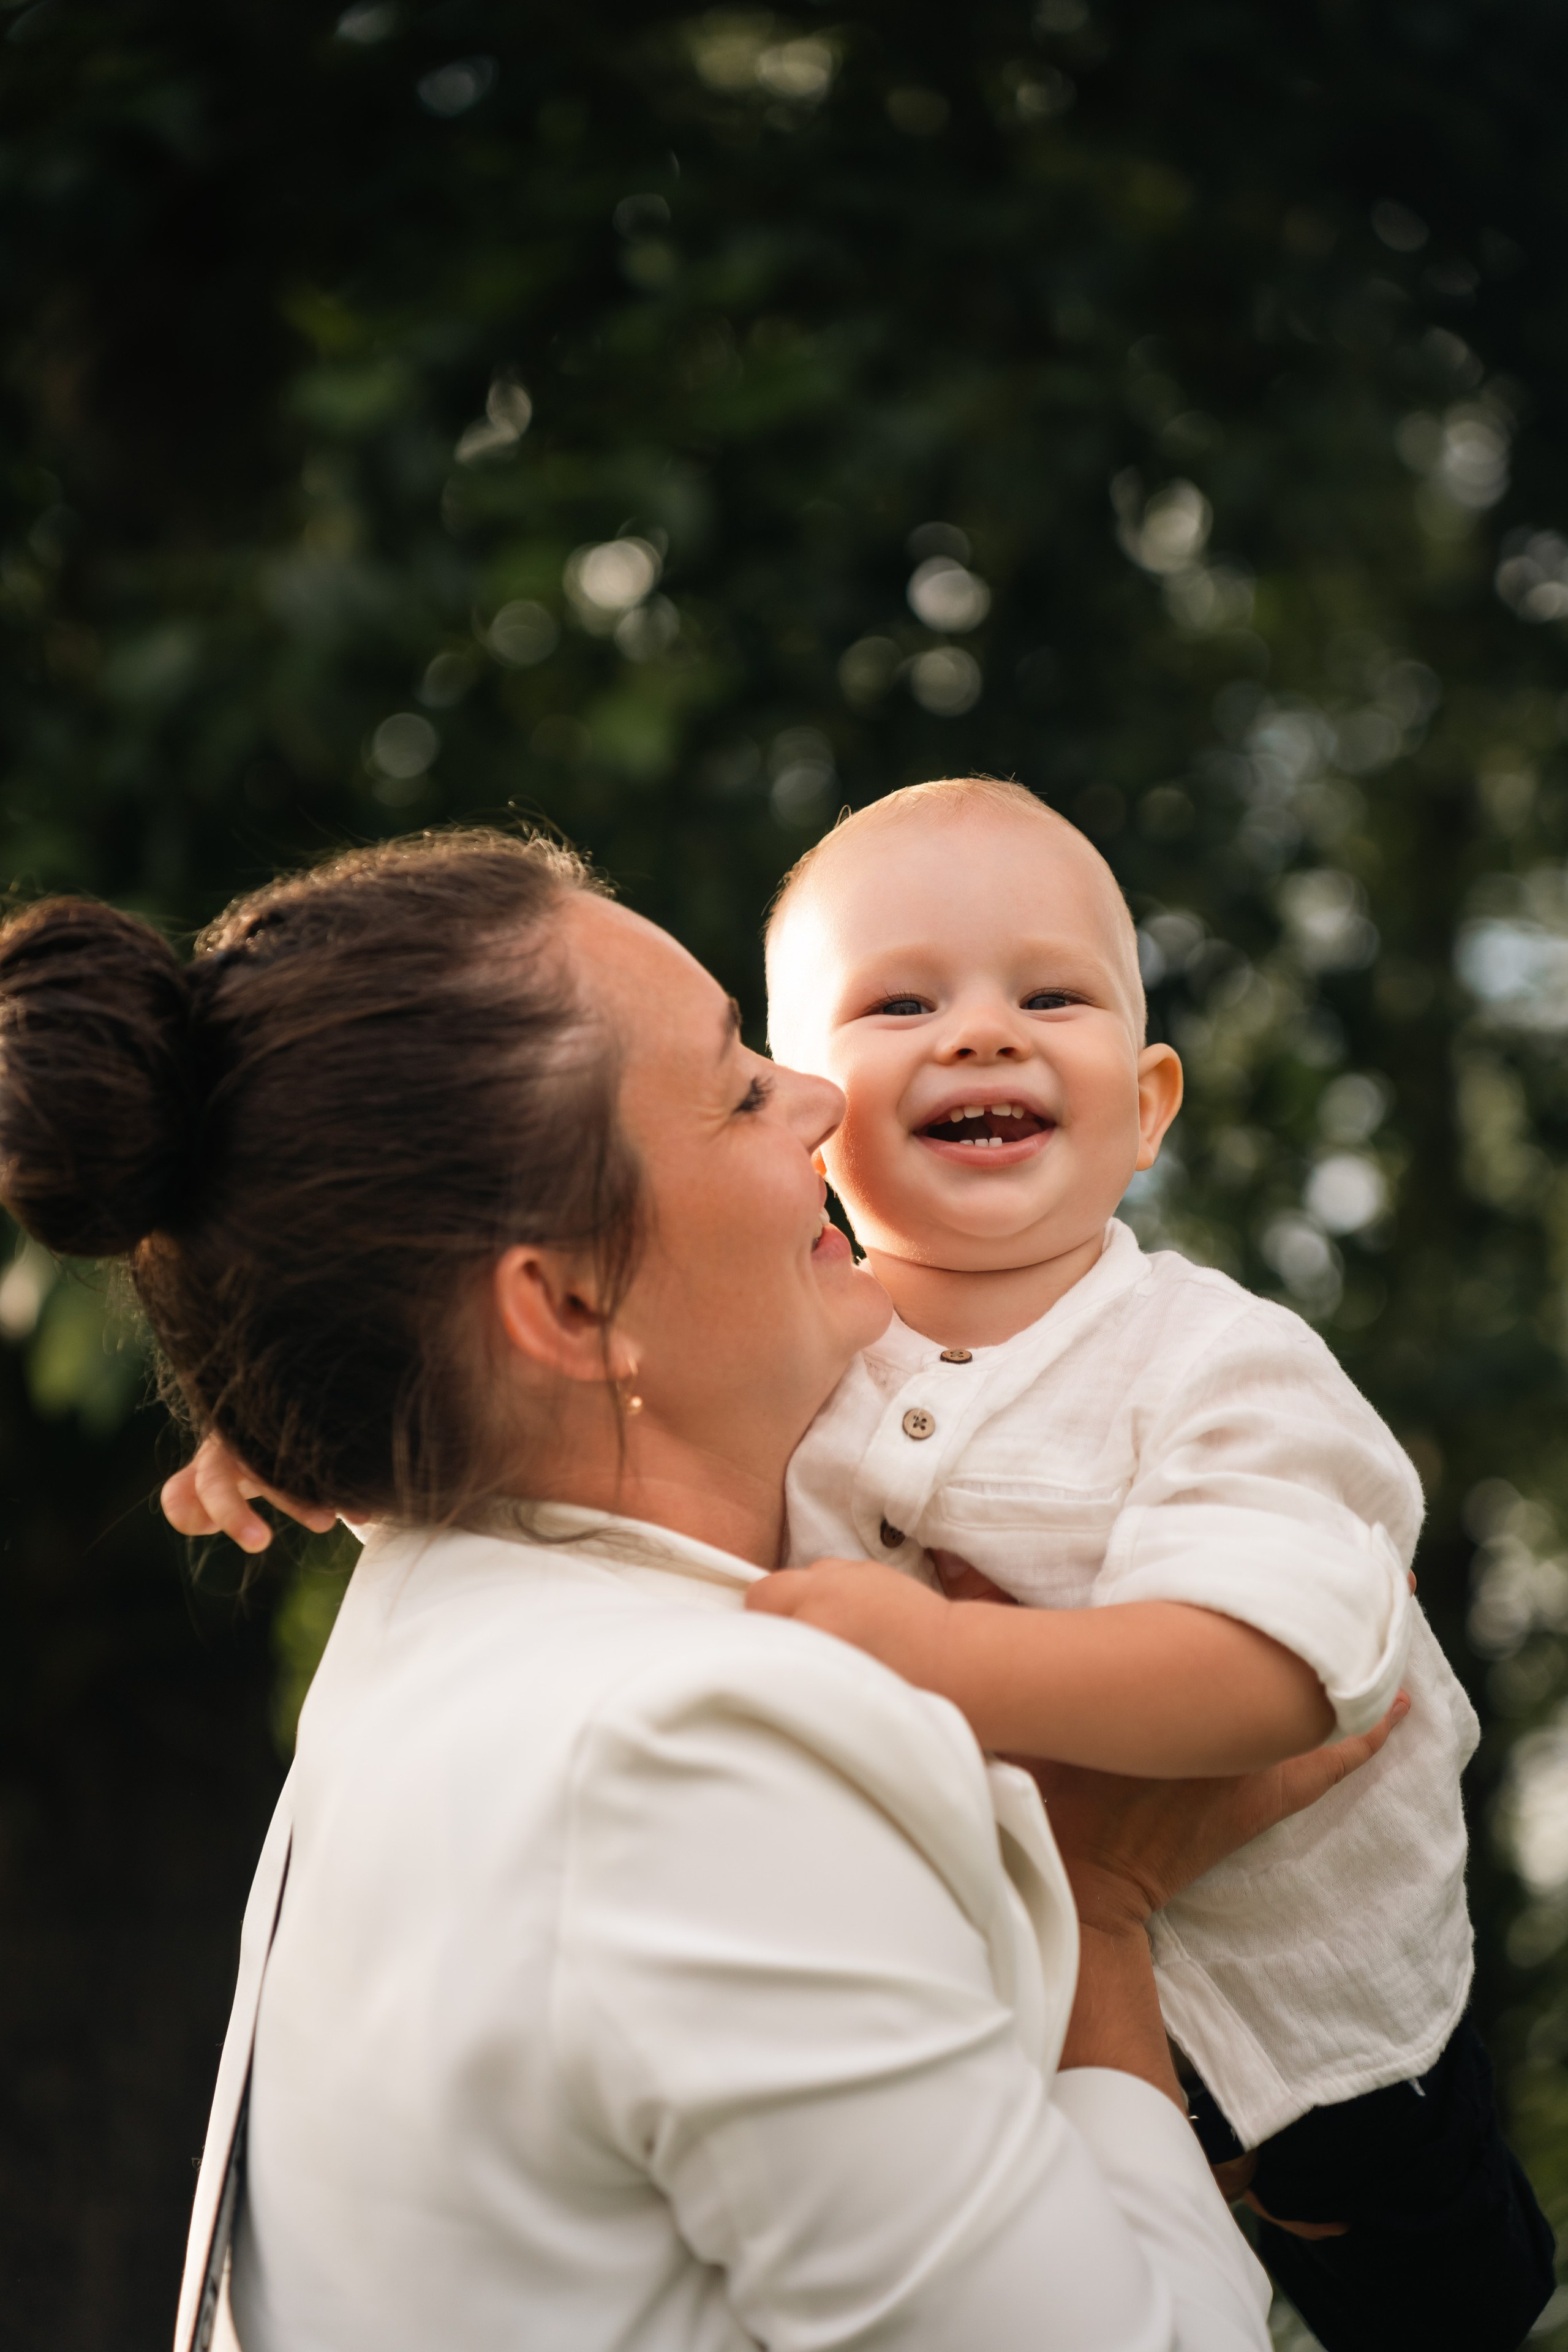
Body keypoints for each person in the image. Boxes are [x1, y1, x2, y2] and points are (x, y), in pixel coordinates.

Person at [0, 829, 1398, 2352]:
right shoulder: (690, 1770)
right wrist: (1105, 1918)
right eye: (740, 1084)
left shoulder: (432, 1595)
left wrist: (309, 1408)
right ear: (568, 1305)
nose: (819, 1099)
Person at [752, 775, 1555, 2352]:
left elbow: (1273, 1674)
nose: (979, 1031)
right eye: (899, 999)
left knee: (1451, 2312)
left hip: (1328, 2061)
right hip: (1023, 2041)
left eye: (1047, 994)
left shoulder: (1210, 1359)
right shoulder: (781, 1354)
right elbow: (559, 1421)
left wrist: (942, 1663)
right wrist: (311, 1446)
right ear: (793, 1111)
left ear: (1146, 1105)